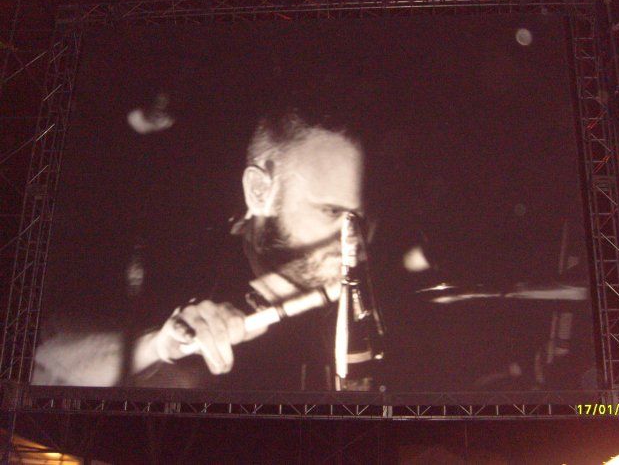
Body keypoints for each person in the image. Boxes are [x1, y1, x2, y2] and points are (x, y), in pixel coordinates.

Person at [32, 106, 368, 390]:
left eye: (361, 217)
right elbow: (43, 362)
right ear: (259, 191)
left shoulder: (367, 285)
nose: (353, 238)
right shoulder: (175, 261)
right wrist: (159, 346)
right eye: (331, 211)